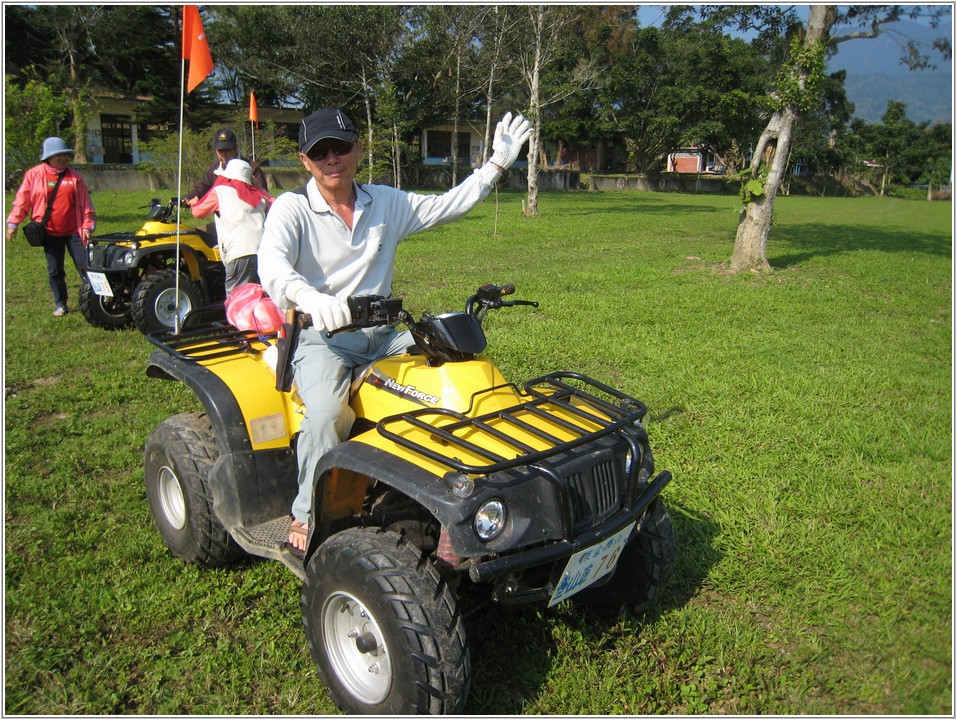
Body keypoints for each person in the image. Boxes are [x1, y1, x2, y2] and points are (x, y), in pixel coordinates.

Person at [258, 107, 531, 555]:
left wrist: (496, 164)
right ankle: (306, 511)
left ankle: (475, 483)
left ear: (358, 150)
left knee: (457, 373)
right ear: (305, 160)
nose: (332, 159)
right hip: (322, 338)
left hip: (385, 334)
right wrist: (311, 298)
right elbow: (272, 268)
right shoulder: (292, 209)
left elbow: (448, 205)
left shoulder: (384, 202)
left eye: (341, 147)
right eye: (319, 151)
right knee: (327, 415)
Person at [6, 136, 97, 317]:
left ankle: (96, 300)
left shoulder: (74, 178)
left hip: (74, 232)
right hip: (49, 232)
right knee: (55, 270)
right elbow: (22, 201)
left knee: (86, 266)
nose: (62, 158)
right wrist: (13, 223)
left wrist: (87, 225)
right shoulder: (34, 175)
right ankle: (61, 304)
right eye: (58, 155)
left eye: (65, 155)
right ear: (48, 157)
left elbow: (85, 205)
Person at [190, 158, 274, 293]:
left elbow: (198, 212)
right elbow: (275, 204)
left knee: (237, 302)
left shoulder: (221, 191)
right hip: (264, 251)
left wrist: (193, 202)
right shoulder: (258, 195)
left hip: (239, 252)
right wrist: (259, 187)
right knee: (261, 298)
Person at [184, 128, 268, 206]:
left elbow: (263, 197)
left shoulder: (252, 168)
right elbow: (201, 188)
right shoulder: (213, 171)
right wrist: (189, 198)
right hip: (223, 219)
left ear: (236, 148)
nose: (223, 154)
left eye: (227, 150)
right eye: (220, 151)